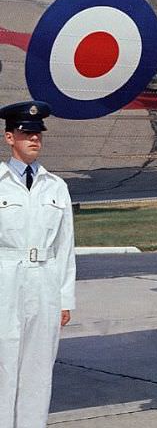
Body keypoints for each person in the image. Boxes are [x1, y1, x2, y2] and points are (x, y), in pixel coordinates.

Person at [0, 100, 75, 428]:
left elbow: (65, 247)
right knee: (4, 367)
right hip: (5, 281)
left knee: (38, 370)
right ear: (9, 138)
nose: (34, 139)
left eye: (38, 134)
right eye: (25, 132)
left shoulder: (56, 187)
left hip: (44, 282)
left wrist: (65, 298)